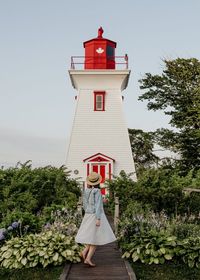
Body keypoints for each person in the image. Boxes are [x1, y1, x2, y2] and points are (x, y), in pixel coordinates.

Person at [75, 171, 116, 267]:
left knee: (91, 236)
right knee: (95, 238)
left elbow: (85, 205)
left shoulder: (86, 191)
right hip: (95, 215)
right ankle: (88, 259)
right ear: (97, 182)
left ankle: (84, 252)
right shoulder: (97, 191)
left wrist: (88, 211)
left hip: (88, 215)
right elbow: (98, 205)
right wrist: (98, 218)